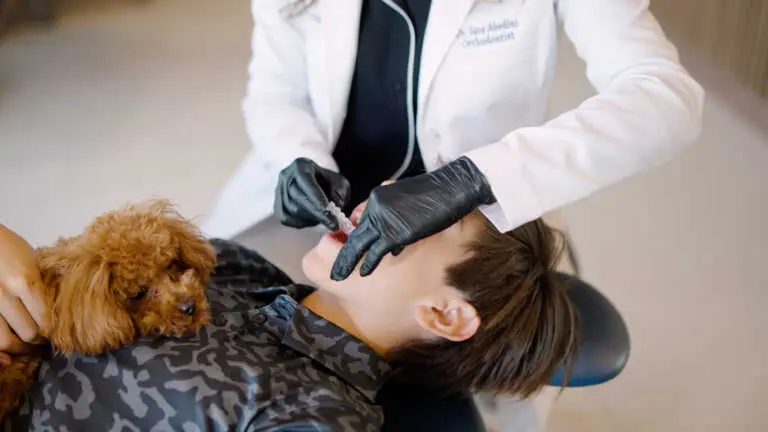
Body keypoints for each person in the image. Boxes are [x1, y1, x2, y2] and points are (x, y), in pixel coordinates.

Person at [203, 0, 704, 281]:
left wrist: (477, 177)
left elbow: (665, 98)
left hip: (474, 220)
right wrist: (296, 156)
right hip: (318, 217)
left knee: (480, 390)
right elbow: (275, 92)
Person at [1, 204, 578, 430]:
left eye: (426, 223)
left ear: (444, 315)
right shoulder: (233, 266)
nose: (379, 206)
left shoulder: (317, 417)